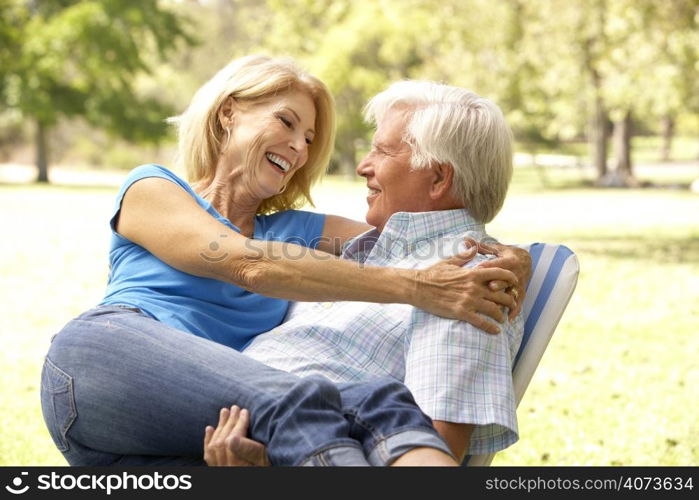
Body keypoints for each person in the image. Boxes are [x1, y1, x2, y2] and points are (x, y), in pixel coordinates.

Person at [41, 56, 522, 466]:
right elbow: (246, 263)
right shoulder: (153, 189)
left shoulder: (300, 233)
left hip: (190, 428)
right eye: (286, 122)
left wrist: (511, 257)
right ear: (229, 113)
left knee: (373, 399)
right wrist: (420, 288)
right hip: (103, 364)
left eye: (310, 139)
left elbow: (422, 235)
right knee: (305, 401)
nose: (298, 147)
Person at [209, 80, 529, 465]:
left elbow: (427, 453)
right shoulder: (367, 252)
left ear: (439, 178)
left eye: (381, 150)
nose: (363, 166)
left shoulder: (467, 283)